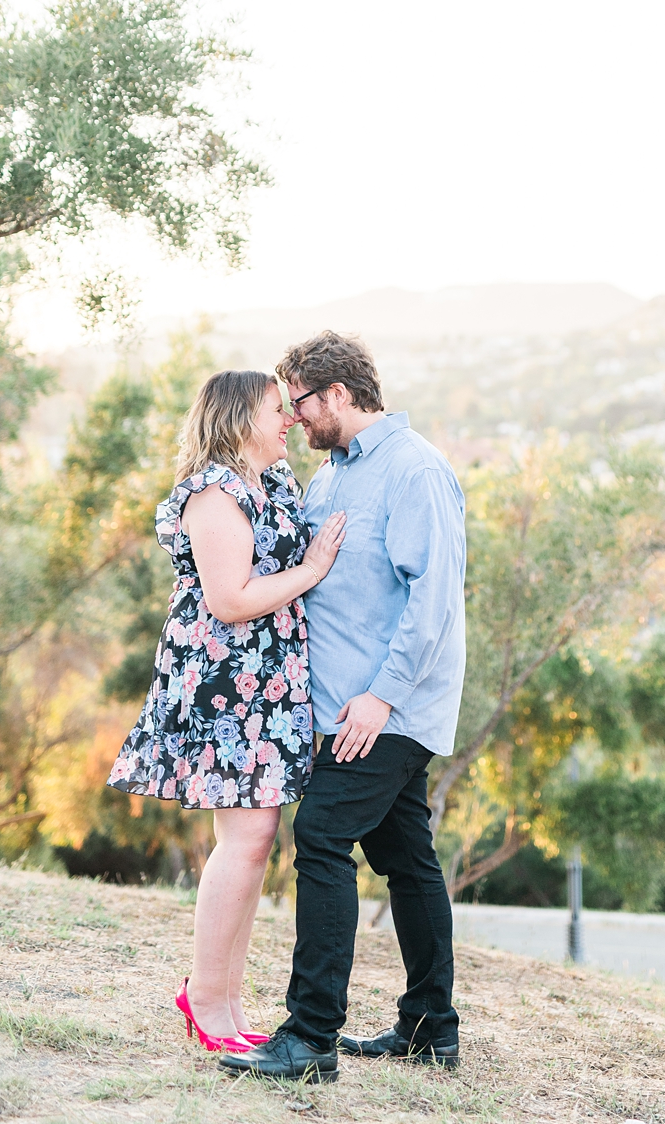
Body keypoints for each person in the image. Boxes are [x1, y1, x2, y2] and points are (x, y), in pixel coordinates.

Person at [221, 331, 466, 1084]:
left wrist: (380, 699)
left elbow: (432, 604)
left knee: (321, 838)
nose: (292, 420)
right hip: (341, 711)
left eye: (298, 403)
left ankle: (310, 1038)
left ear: (335, 395)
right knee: (405, 857)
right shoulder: (330, 477)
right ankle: (431, 1028)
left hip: (384, 711)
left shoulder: (413, 470)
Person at [105, 369, 346, 1053]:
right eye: (277, 410)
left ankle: (227, 1001)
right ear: (242, 419)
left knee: (255, 841)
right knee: (244, 841)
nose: (290, 421)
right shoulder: (216, 492)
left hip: (263, 684)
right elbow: (229, 599)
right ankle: (206, 999)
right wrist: (313, 569)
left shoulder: (270, 483)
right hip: (225, 685)